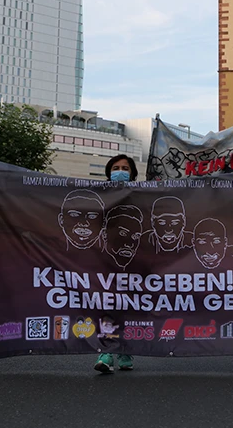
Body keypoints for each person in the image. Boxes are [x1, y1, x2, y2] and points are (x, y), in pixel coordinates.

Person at [94, 154, 138, 375]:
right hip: (106, 259)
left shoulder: (141, 195)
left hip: (135, 261)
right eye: (116, 168)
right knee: (108, 304)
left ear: (132, 174)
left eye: (125, 168)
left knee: (128, 305)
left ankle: (126, 350)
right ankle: (106, 352)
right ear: (108, 172)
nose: (120, 171)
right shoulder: (98, 196)